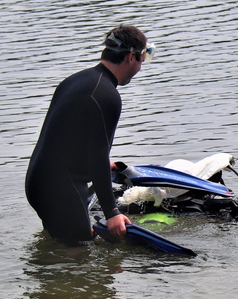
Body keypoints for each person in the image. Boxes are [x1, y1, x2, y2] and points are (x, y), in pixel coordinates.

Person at [25, 25, 153, 245]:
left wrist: (103, 164)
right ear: (131, 57)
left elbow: (64, 138)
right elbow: (97, 155)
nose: (141, 67)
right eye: (143, 59)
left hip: (38, 181)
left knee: (56, 250)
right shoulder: (107, 95)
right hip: (62, 190)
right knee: (79, 261)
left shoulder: (76, 81)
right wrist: (112, 213)